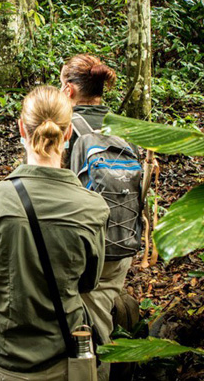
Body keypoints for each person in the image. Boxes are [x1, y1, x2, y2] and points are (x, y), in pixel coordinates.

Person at [0, 85, 109, 381]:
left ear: (21, 128)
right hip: (65, 361)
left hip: (1, 361)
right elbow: (88, 282)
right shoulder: (93, 207)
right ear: (68, 133)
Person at [60, 54, 135, 381]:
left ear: (69, 90)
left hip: (82, 248)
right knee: (100, 316)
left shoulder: (67, 130)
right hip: (121, 243)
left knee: (77, 325)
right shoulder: (124, 129)